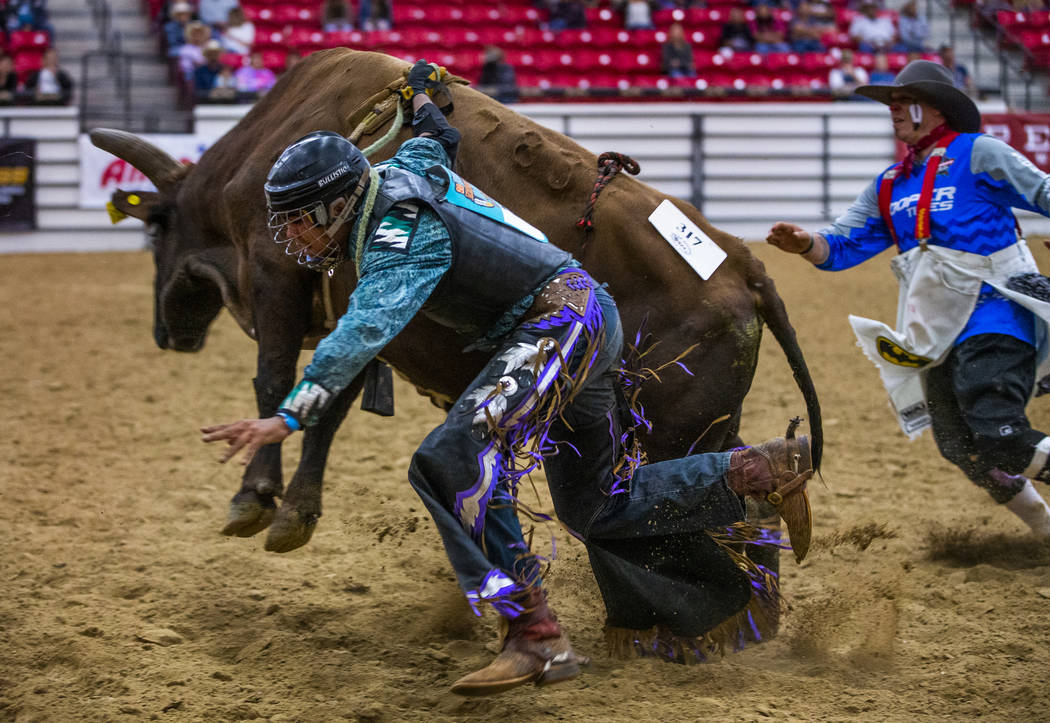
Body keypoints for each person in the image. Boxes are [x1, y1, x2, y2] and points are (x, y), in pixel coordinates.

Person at [203, 59, 815, 695]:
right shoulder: (399, 174)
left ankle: (532, 634)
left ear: (336, 203)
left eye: (299, 218)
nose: (292, 235)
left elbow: (364, 329)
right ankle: (758, 470)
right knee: (596, 505)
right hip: (581, 317)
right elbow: (435, 138)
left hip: (556, 328)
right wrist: (422, 98)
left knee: (449, 458)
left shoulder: (395, 233)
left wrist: (291, 413)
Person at [766, 59, 1050, 539]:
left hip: (996, 310)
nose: (893, 110)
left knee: (997, 432)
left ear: (936, 110)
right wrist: (804, 242)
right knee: (960, 445)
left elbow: (1042, 190)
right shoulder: (891, 183)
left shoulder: (979, 153)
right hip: (937, 327)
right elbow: (841, 244)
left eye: (903, 102)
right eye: (892, 104)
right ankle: (1045, 530)